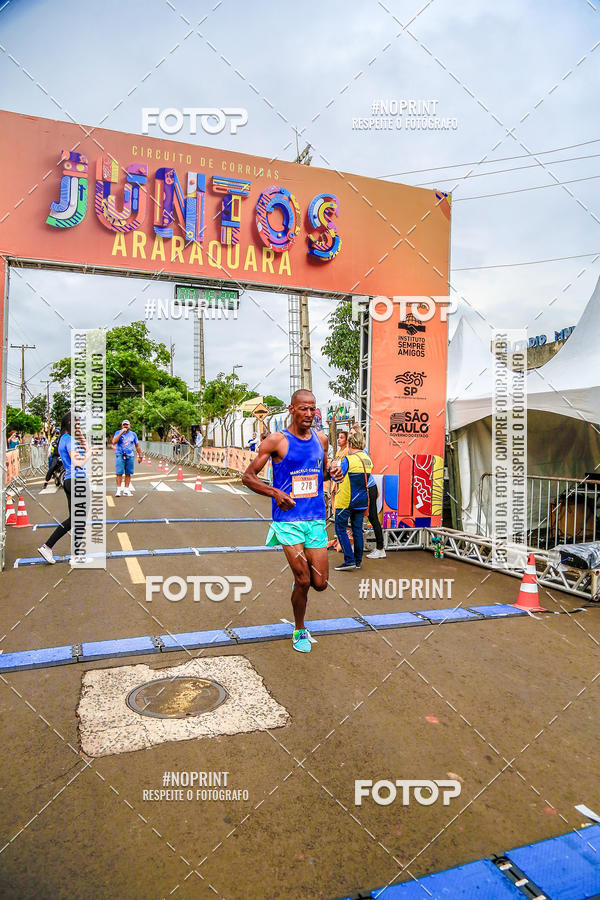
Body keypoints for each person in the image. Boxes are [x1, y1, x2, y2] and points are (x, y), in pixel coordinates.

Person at [242, 390, 332, 653]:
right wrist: (275, 493)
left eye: (312, 409)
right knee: (304, 580)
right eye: (303, 408)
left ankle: (299, 581)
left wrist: (334, 472)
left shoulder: (322, 439)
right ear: (292, 410)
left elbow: (323, 473)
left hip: (315, 517)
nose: (309, 414)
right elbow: (248, 477)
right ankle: (299, 628)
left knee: (320, 583)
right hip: (288, 520)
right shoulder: (277, 441)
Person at [37, 413, 91, 564]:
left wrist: (80, 434)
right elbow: (78, 462)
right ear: (69, 423)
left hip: (70, 480)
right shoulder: (69, 440)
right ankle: (74, 555)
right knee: (79, 518)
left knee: (75, 519)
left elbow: (84, 448)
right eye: (77, 424)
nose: (79, 427)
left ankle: (49, 547)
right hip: (78, 481)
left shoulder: (65, 439)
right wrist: (90, 453)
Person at [332, 426, 374, 571]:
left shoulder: (348, 460)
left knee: (340, 529)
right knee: (357, 530)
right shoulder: (367, 459)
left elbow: (336, 477)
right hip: (361, 500)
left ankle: (349, 560)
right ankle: (357, 561)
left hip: (345, 500)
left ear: (350, 444)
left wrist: (332, 469)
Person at [349, 424, 386, 559]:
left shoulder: (361, 452)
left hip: (368, 488)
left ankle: (380, 548)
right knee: (359, 517)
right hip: (364, 488)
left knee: (372, 517)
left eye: (352, 433)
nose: (350, 435)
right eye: (350, 433)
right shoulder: (355, 451)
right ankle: (358, 545)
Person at [112, 419, 143, 497]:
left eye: (127, 425)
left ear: (129, 426)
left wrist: (140, 455)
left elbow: (137, 445)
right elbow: (114, 442)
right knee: (119, 473)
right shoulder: (117, 432)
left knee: (128, 473)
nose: (125, 426)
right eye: (124, 425)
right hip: (120, 454)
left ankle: (126, 490)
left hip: (130, 455)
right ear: (122, 426)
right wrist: (121, 432)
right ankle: (118, 490)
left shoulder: (133, 434)